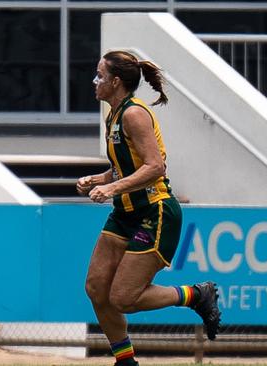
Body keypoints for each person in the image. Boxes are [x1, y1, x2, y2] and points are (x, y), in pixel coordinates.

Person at [77, 50, 221, 366]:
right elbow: (125, 167)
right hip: (125, 213)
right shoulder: (112, 114)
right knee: (96, 288)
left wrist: (111, 187)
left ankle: (196, 294)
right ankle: (125, 361)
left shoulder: (133, 114)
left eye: (100, 75)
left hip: (155, 212)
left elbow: (156, 167)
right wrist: (98, 178)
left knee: (124, 298)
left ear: (116, 81)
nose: (94, 80)